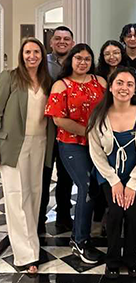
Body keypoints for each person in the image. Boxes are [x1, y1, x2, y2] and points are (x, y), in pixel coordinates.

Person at [88, 66, 136, 279]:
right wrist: (114, 181)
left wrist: (133, 182)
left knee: (134, 214)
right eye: (119, 83)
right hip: (109, 174)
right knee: (116, 212)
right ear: (111, 86)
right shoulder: (99, 114)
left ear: (135, 90)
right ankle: (113, 259)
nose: (124, 88)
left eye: (129, 84)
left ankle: (132, 257)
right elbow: (96, 151)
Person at [45, 43, 107, 264]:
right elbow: (58, 119)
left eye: (87, 59)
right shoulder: (61, 86)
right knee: (86, 185)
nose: (83, 62)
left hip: (99, 145)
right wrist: (88, 133)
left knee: (97, 187)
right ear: (71, 60)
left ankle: (87, 233)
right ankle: (80, 241)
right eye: (78, 58)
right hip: (72, 144)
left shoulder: (99, 82)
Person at [0, 37, 54, 274]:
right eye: (27, 52)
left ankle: (32, 244)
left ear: (42, 55)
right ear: (21, 55)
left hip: (39, 142)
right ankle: (25, 255)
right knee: (15, 197)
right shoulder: (10, 77)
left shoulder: (47, 81)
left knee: (33, 195)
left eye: (36, 52)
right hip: (13, 145)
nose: (31, 56)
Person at [39, 25, 75, 234]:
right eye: (58, 38)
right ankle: (40, 216)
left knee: (66, 176)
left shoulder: (76, 63)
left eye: (66, 39)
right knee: (43, 175)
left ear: (72, 42)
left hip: (68, 130)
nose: (62, 42)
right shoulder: (43, 64)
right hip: (46, 129)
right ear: (51, 42)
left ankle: (63, 216)